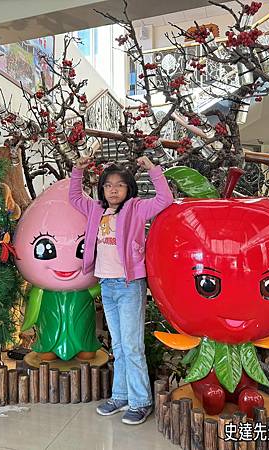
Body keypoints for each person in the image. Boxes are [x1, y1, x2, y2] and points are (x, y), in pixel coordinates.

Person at [69, 155, 173, 425]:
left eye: (120, 185)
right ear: (102, 189)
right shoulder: (96, 210)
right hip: (107, 283)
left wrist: (153, 169)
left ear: (129, 189)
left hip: (129, 285)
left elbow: (165, 200)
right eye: (108, 185)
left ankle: (141, 402)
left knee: (132, 346)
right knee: (119, 344)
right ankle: (121, 395)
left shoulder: (136, 208)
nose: (113, 190)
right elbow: (75, 199)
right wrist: (78, 171)